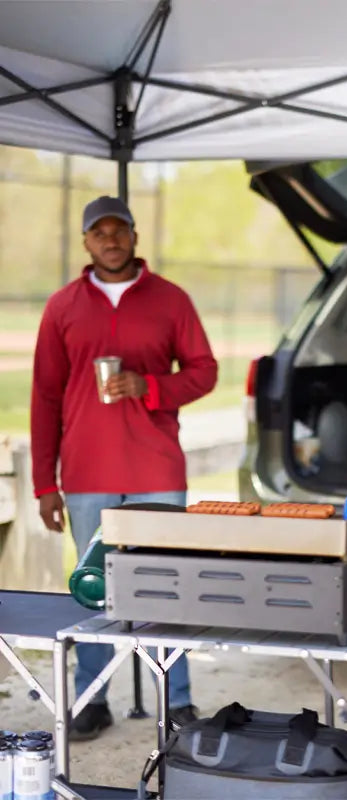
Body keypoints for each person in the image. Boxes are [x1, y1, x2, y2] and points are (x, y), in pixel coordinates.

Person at [31, 196, 218, 741]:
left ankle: (176, 701)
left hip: (157, 469)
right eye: (99, 232)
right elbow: (44, 397)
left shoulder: (171, 300)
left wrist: (151, 386)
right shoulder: (62, 305)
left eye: (119, 231)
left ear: (135, 237)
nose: (110, 240)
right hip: (87, 475)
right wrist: (46, 483)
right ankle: (91, 700)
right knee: (96, 589)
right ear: (86, 242)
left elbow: (204, 371)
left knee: (168, 585)